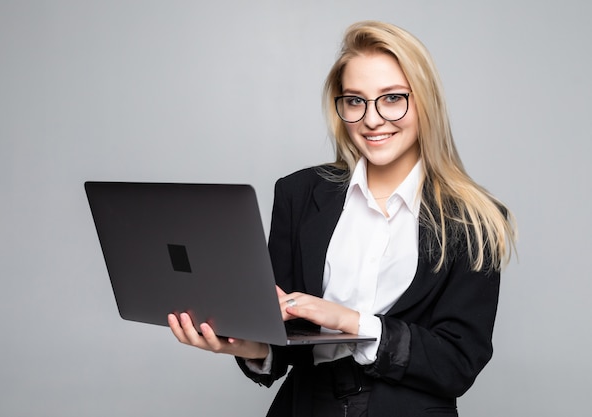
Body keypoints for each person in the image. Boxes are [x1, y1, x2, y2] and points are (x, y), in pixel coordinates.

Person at [168, 20, 517, 417]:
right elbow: (281, 336)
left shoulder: (473, 220)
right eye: (355, 100)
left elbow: (457, 362)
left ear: (425, 102)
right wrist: (250, 347)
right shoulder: (298, 194)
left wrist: (352, 322)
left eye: (392, 98)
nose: (371, 119)